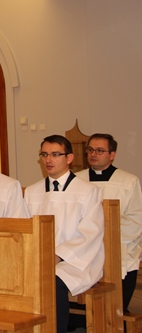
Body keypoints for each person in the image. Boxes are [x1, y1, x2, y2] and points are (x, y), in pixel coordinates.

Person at [24, 135, 104, 333]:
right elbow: (25, 229)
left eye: (55, 154)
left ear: (69, 158)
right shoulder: (32, 192)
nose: (48, 160)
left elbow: (90, 232)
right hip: (40, 259)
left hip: (77, 261)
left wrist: (58, 255)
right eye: (44, 154)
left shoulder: (88, 191)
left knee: (52, 280)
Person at [76, 133, 142, 314]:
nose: (93, 154)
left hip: (118, 247)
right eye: (90, 150)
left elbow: (136, 217)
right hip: (85, 247)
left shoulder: (128, 181)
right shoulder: (76, 180)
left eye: (100, 150)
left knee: (115, 305)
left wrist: (107, 237)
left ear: (112, 155)